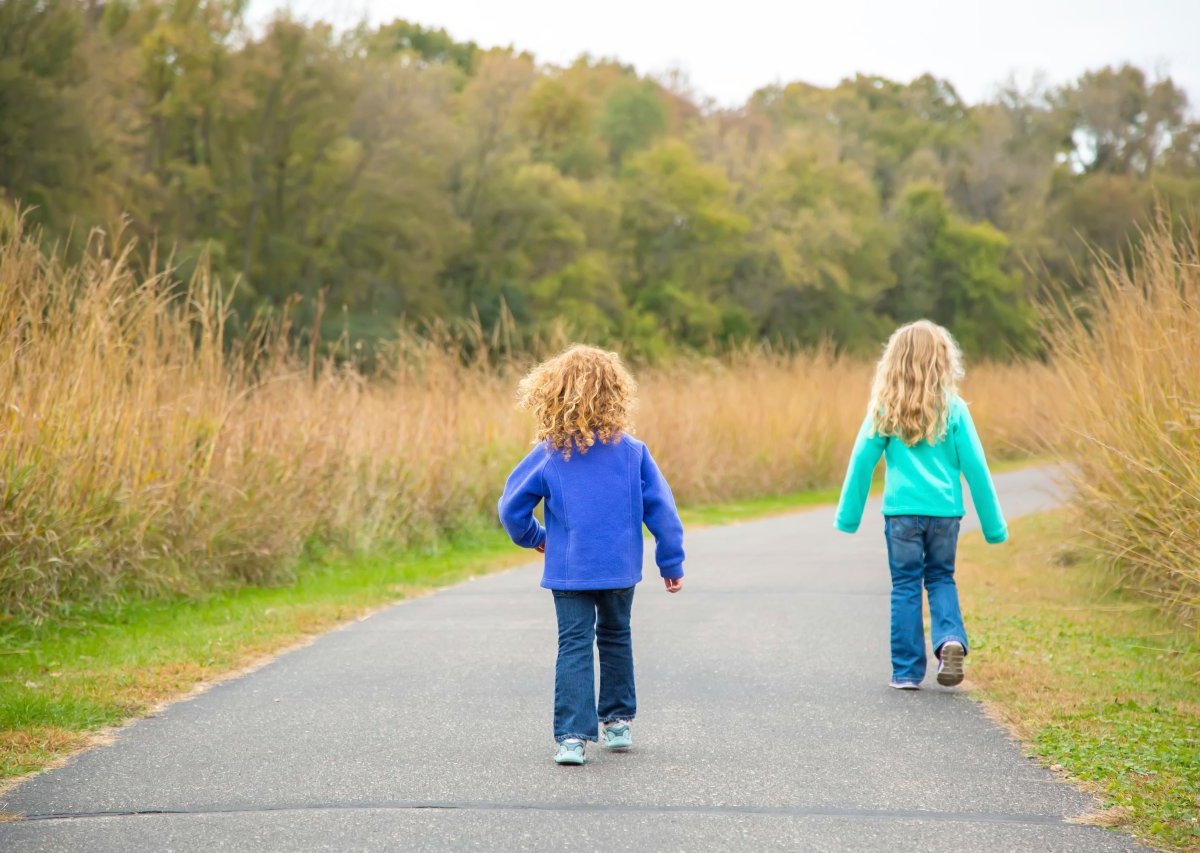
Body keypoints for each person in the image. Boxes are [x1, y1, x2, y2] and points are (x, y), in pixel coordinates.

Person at [498, 345, 685, 765]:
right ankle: (617, 723)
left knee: (574, 644)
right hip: (619, 569)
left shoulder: (549, 453)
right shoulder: (633, 452)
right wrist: (670, 561)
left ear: (553, 394)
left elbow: (511, 508)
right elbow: (663, 511)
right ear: (616, 393)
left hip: (570, 571)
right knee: (616, 637)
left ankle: (571, 738)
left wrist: (536, 537)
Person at [835, 320, 1007, 690]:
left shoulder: (885, 408)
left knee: (906, 585)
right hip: (945, 514)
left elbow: (861, 460)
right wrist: (994, 527)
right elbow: (976, 468)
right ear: (944, 361)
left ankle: (907, 672)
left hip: (901, 515)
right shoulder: (955, 409)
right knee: (941, 577)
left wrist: (848, 517)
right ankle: (950, 641)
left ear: (894, 361)